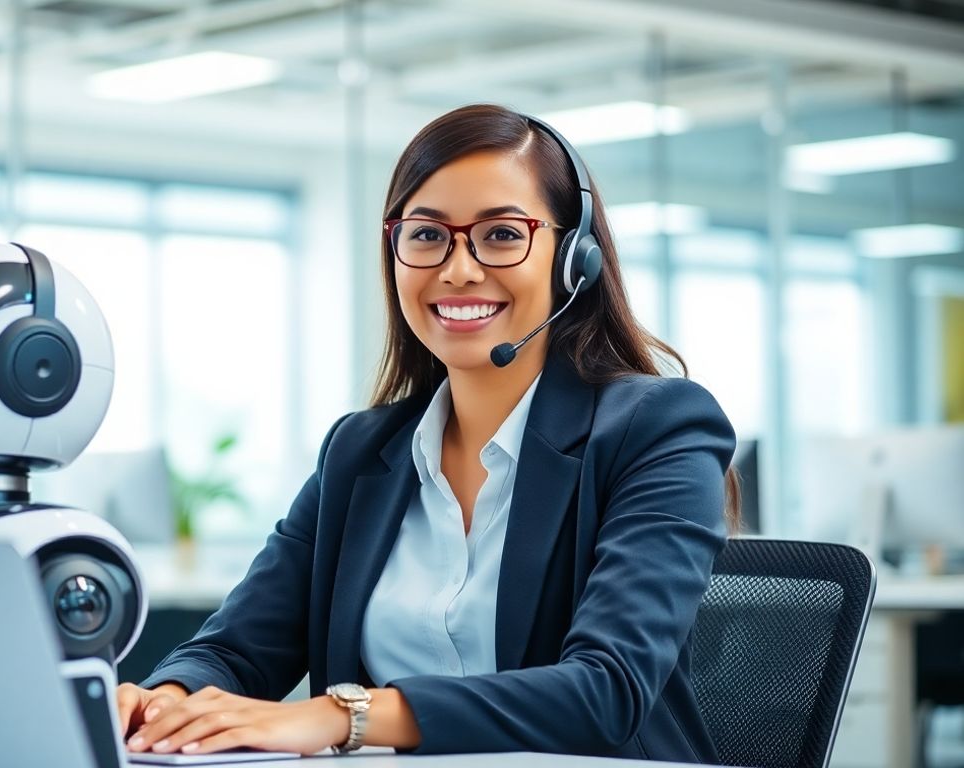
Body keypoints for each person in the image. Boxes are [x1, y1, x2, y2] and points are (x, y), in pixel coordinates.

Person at [116, 104, 738, 762]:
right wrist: (168, 701)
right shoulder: (360, 453)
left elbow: (606, 690)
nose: (459, 269)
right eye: (426, 235)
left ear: (573, 257)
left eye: (501, 235)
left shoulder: (658, 428)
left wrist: (342, 715)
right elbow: (236, 649)